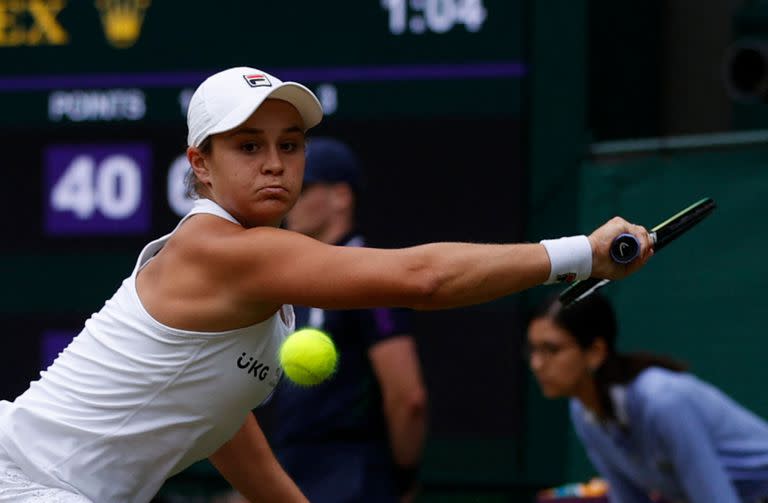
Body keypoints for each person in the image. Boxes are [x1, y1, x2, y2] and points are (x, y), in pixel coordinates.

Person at [0, 65, 652, 503]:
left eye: (290, 144)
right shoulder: (221, 249)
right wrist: (581, 254)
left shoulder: (256, 286)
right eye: (248, 146)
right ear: (201, 164)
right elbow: (421, 278)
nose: (276, 163)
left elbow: (219, 422)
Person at [260, 137, 428, 502]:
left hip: (357, 479)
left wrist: (401, 480)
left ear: (341, 196)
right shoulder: (298, 281)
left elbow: (408, 396)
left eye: (303, 187)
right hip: (297, 474)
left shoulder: (371, 276)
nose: (289, 199)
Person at [527, 293, 768, 503]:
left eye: (551, 350)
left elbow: (715, 498)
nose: (536, 364)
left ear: (595, 352)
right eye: (532, 350)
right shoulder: (582, 412)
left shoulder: (663, 401)